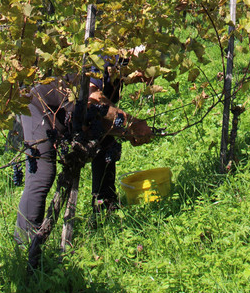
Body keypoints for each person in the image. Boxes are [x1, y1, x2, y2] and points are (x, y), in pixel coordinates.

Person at [14, 63, 152, 244]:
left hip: (71, 112)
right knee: (42, 173)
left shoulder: (120, 71)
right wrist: (132, 124)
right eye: (149, 66)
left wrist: (126, 130)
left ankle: (105, 213)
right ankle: (24, 241)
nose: (148, 78)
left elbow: (100, 114)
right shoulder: (106, 54)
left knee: (105, 144)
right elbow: (93, 98)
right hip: (41, 107)